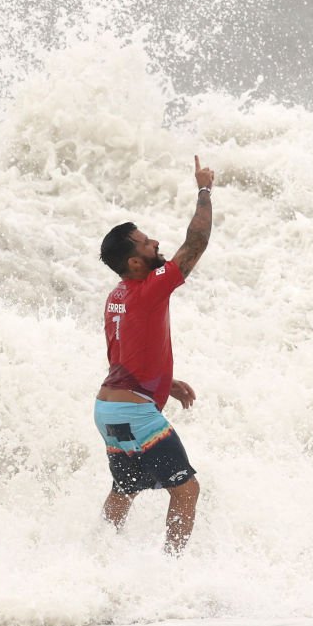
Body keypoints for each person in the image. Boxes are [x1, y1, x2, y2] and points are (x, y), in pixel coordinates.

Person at [94, 155, 215, 555]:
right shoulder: (149, 288)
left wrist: (165, 382)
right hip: (135, 412)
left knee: (125, 489)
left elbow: (123, 354)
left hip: (109, 410)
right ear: (134, 261)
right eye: (147, 243)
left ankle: (97, 558)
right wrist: (204, 189)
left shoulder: (116, 297)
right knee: (186, 489)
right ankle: (170, 572)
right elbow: (195, 243)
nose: (155, 243)